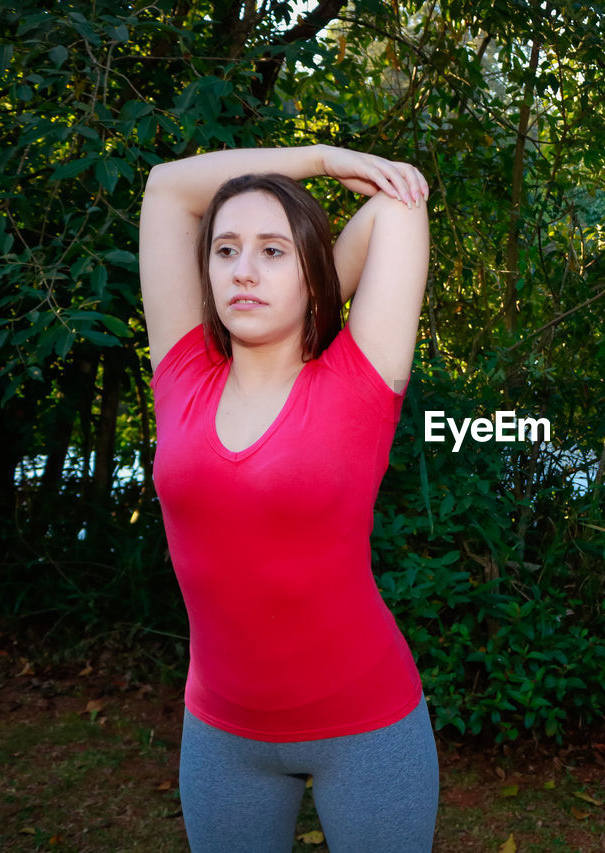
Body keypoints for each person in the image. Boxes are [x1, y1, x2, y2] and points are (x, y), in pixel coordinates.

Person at [138, 145, 435, 853]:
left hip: (366, 726)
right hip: (221, 734)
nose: (243, 269)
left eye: (273, 251)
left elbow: (400, 204)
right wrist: (320, 159)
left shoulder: (358, 382)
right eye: (226, 250)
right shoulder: (181, 373)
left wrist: (319, 273)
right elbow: (166, 187)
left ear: (315, 272)